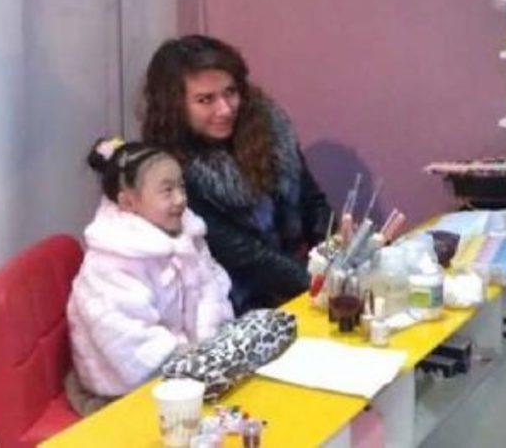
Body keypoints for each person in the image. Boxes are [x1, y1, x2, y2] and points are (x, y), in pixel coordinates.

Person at [141, 35, 330, 313]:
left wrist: (339, 255)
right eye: (205, 100)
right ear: (175, 106)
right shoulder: (168, 171)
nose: (225, 109)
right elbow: (246, 256)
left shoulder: (269, 127)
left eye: (230, 92)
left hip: (302, 281)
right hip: (234, 305)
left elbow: (312, 201)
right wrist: (322, 285)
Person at [66, 138, 234, 414]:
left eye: (181, 187)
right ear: (128, 201)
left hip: (191, 368)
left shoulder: (186, 234)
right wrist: (192, 363)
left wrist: (211, 343)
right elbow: (131, 342)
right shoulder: (108, 263)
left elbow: (211, 287)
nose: (180, 199)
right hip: (128, 388)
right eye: (167, 191)